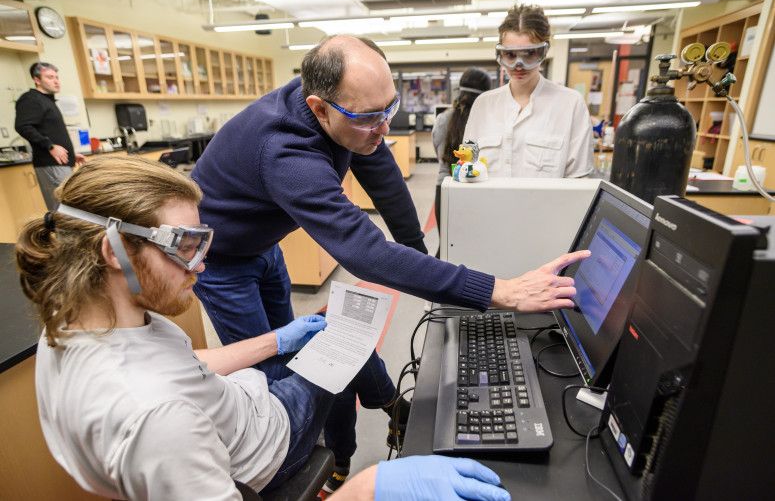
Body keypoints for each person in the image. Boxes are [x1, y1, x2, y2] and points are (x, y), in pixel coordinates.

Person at [190, 34, 589, 492]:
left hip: (265, 248)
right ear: (320, 109)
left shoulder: (351, 112)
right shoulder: (284, 148)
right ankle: (323, 463)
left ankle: (363, 432)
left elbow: (387, 184)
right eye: (369, 117)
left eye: (389, 108)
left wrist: (422, 262)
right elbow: (365, 252)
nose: (383, 127)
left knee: (303, 351)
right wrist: (500, 290)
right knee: (272, 379)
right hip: (221, 263)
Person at [17, 155, 511, 501]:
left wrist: (278, 339)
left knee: (324, 330)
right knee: (346, 335)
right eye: (184, 247)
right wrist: (368, 489)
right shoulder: (159, 422)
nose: (201, 266)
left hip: (240, 407)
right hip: (269, 446)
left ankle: (386, 414)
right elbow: (166, 407)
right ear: (113, 251)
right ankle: (359, 451)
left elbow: (185, 365)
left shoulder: (76, 326)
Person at [463, 5, 594, 178]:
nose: (519, 65)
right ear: (500, 54)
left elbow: (578, 180)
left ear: (544, 51)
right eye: (510, 55)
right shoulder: (483, 104)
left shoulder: (571, 104)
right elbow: (468, 167)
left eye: (530, 53)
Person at [432, 67, 492, 258]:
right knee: (475, 245)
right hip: (478, 187)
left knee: (447, 246)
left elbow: (438, 149)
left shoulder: (444, 118)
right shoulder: (489, 120)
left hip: (446, 186)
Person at [14, 62, 86, 210]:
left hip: (60, 162)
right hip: (51, 163)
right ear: (37, 80)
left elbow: (50, 131)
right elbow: (23, 126)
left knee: (70, 208)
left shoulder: (48, 100)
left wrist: (70, 154)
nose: (56, 81)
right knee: (63, 210)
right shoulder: (31, 99)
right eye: (49, 77)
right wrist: (50, 146)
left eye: (56, 77)